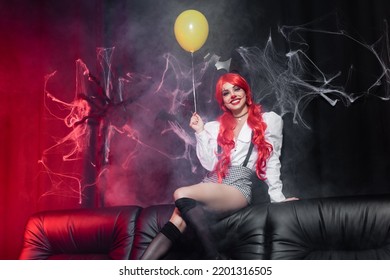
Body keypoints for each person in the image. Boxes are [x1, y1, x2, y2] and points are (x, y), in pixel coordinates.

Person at [141, 72, 297, 260]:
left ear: (246, 91)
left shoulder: (268, 121)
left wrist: (278, 199)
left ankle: (216, 257)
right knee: (177, 219)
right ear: (222, 100)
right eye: (226, 93)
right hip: (213, 181)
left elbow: (272, 160)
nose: (233, 95)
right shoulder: (215, 127)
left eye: (236, 89)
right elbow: (210, 164)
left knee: (180, 194)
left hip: (237, 186)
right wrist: (200, 132)